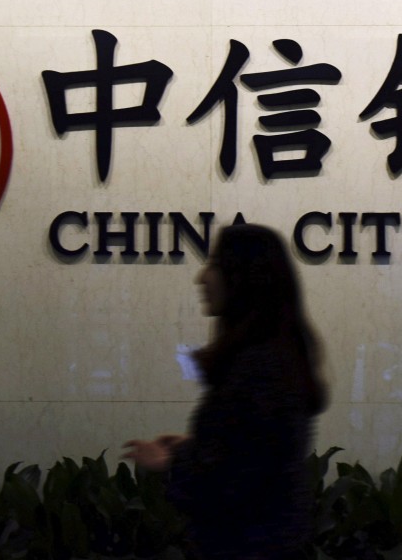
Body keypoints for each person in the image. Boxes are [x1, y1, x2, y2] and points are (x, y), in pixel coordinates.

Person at [123, 223, 328, 560]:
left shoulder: (261, 367)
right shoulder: (272, 358)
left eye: (215, 264)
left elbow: (232, 484)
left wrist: (170, 463)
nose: (201, 278)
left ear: (246, 277)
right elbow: (251, 452)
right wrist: (199, 446)